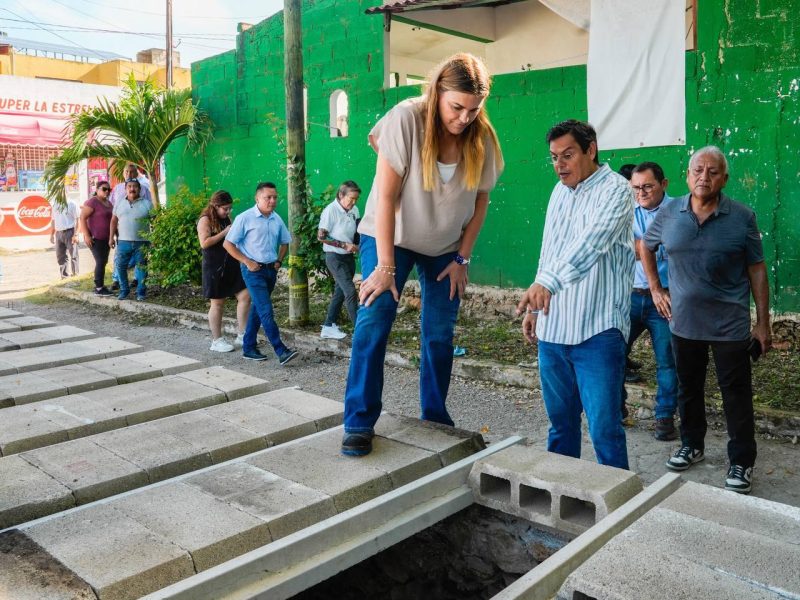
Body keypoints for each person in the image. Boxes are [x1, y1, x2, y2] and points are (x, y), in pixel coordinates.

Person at [341, 53, 504, 457]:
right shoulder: (406, 119)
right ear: (437, 93)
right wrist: (384, 268)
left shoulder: (480, 136)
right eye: (456, 107)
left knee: (438, 335)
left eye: (473, 109)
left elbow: (481, 201)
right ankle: (359, 421)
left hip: (445, 248)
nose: (464, 117)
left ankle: (434, 416)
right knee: (374, 319)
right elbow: (385, 196)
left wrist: (463, 258)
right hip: (390, 239)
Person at [642, 146, 771, 494]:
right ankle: (692, 444)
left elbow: (756, 269)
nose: (704, 177)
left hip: (729, 325)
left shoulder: (742, 217)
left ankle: (741, 461)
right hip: (683, 323)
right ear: (687, 175)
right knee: (689, 389)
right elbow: (645, 246)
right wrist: (656, 288)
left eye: (713, 172)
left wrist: (763, 322)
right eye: (698, 170)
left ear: (724, 179)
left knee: (736, 395)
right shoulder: (669, 213)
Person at [518, 119, 634, 470]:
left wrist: (547, 284)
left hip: (597, 330)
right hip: (553, 331)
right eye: (553, 158)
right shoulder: (558, 193)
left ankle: (618, 511)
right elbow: (548, 251)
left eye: (567, 155)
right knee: (561, 426)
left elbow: (592, 244)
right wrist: (536, 308)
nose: (559, 165)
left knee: (604, 430)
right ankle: (562, 497)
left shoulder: (616, 190)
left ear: (591, 150)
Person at [624, 162, 678, 440]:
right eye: (636, 188)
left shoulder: (680, 211)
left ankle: (664, 417)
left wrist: (642, 246)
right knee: (612, 353)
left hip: (667, 298)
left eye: (648, 186)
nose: (641, 193)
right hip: (630, 296)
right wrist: (650, 247)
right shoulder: (624, 211)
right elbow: (621, 247)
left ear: (664, 184)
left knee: (667, 362)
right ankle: (616, 408)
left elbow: (676, 249)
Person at [223, 182, 298, 366]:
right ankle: (281, 350)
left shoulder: (276, 219)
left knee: (257, 309)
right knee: (266, 310)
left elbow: (285, 242)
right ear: (258, 198)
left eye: (274, 197)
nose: (272, 201)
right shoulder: (245, 218)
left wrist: (279, 261)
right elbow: (228, 244)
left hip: (270, 270)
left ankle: (248, 347)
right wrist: (247, 261)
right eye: (268, 197)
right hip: (252, 271)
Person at [197, 190, 251, 353]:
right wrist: (225, 232)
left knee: (245, 295)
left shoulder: (225, 218)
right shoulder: (205, 220)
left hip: (230, 263)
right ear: (215, 206)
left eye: (229, 209)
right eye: (225, 209)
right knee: (217, 303)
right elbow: (204, 243)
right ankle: (217, 340)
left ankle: (242, 334)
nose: (228, 212)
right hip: (214, 266)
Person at [317, 180, 361, 340]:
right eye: (351, 198)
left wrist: (357, 244)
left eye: (356, 199)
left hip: (348, 257)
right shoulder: (330, 211)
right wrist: (344, 245)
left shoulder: (354, 209)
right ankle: (360, 330)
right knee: (350, 291)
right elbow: (321, 237)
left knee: (340, 292)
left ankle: (328, 326)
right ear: (341, 195)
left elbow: (357, 230)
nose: (354, 202)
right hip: (334, 257)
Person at [109, 178, 152, 301]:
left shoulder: (147, 204)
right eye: (129, 186)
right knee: (120, 266)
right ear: (126, 189)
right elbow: (113, 220)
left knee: (142, 267)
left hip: (142, 242)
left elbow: (156, 220)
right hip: (123, 242)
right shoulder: (119, 203)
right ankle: (124, 290)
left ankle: (141, 292)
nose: (132, 189)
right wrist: (111, 238)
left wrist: (154, 238)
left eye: (135, 186)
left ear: (139, 189)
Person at [79, 181, 114, 296]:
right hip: (95, 238)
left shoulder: (109, 203)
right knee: (100, 261)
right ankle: (99, 288)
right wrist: (87, 235)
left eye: (109, 189)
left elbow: (112, 221)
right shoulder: (92, 202)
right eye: (104, 189)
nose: (107, 191)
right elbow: (82, 218)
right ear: (97, 189)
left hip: (106, 238)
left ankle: (101, 286)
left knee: (103, 262)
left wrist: (114, 235)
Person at [49, 196, 80, 279]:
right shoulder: (55, 204)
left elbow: (78, 220)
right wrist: (52, 234)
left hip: (70, 232)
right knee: (60, 256)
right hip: (58, 233)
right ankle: (64, 276)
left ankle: (75, 276)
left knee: (73, 254)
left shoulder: (72, 203)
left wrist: (76, 234)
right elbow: (53, 220)